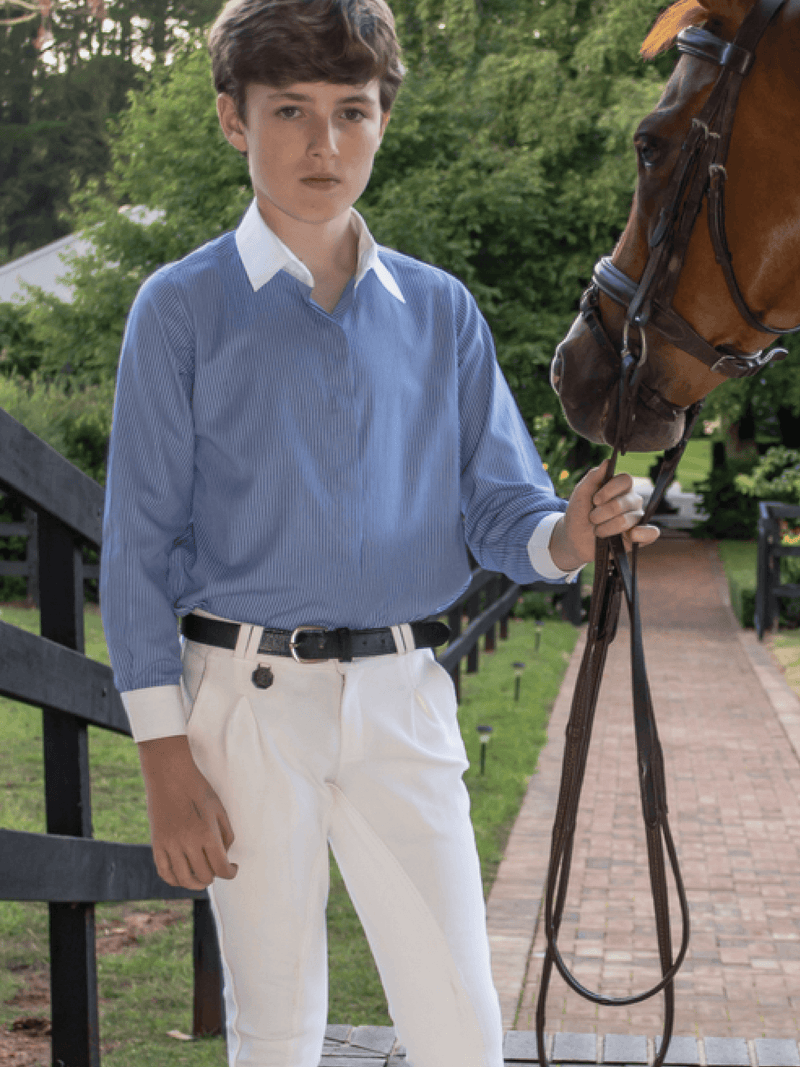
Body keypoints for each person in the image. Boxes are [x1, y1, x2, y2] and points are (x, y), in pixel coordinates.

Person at [99, 1, 659, 1064]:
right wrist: (165, 759)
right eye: (290, 112)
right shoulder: (178, 311)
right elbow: (136, 545)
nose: (323, 144)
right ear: (233, 119)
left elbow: (503, 506)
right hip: (244, 707)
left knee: (458, 1015)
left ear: (383, 120)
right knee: (273, 1022)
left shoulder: (439, 311)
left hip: (403, 698)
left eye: (351, 112)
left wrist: (567, 534)